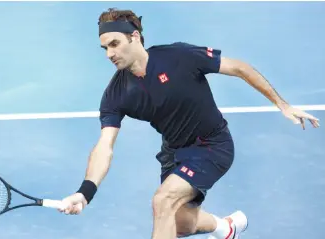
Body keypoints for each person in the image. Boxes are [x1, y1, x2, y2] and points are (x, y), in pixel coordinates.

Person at [58, 8, 320, 239]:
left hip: (212, 145)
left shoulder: (178, 57)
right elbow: (105, 146)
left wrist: (282, 104)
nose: (109, 54)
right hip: (174, 152)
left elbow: (239, 68)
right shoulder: (117, 94)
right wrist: (85, 192)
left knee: (163, 200)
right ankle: (225, 228)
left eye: (114, 44)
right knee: (178, 223)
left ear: (134, 36)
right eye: (105, 48)